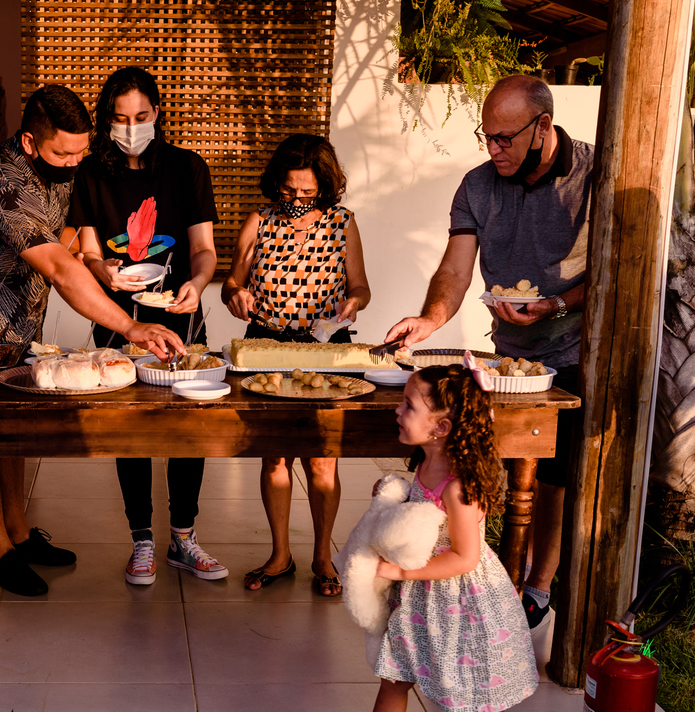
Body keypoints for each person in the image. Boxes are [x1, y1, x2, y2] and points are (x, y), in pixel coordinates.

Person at [0, 84, 185, 597]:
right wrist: (132, 326)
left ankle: (21, 534)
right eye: (62, 154)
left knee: (17, 429)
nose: (74, 164)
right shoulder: (3, 184)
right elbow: (59, 270)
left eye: (80, 153)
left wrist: (97, 261)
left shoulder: (60, 167)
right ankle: (0, 552)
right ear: (29, 142)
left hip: (19, 314)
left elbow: (65, 237)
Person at [384, 74, 591, 628]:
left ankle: (538, 587)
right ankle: (487, 573)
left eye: (505, 138)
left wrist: (558, 305)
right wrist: (430, 318)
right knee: (492, 467)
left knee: (553, 476)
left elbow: (620, 268)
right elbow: (455, 267)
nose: (494, 149)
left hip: (577, 349)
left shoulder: (595, 173)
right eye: (487, 136)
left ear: (543, 126)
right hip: (508, 354)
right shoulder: (478, 185)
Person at [312, 365, 536, 712]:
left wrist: (400, 572)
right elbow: (423, 525)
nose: (397, 410)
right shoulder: (427, 467)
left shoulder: (458, 486)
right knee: (395, 674)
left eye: (408, 405)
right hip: (421, 599)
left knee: (478, 679)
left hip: (462, 601)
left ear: (441, 427)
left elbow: (465, 556)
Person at [68, 67, 225, 586]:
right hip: (119, 320)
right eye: (119, 118)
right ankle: (142, 540)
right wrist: (102, 271)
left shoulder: (187, 168)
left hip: (180, 313)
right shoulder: (91, 173)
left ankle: (184, 537)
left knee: (189, 425)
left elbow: (203, 251)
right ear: (105, 121)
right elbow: (88, 252)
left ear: (157, 113)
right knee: (129, 425)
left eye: (140, 116)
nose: (131, 126)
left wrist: (197, 286)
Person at [221, 133, 372, 596]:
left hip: (326, 348)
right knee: (275, 456)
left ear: (324, 187)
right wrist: (237, 296)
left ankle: (324, 555)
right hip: (266, 344)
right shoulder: (260, 221)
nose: (296, 200)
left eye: (307, 193)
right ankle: (280, 554)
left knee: (323, 459)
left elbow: (362, 288)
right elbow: (231, 283)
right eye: (289, 191)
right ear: (276, 184)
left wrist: (352, 305)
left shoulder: (342, 222)